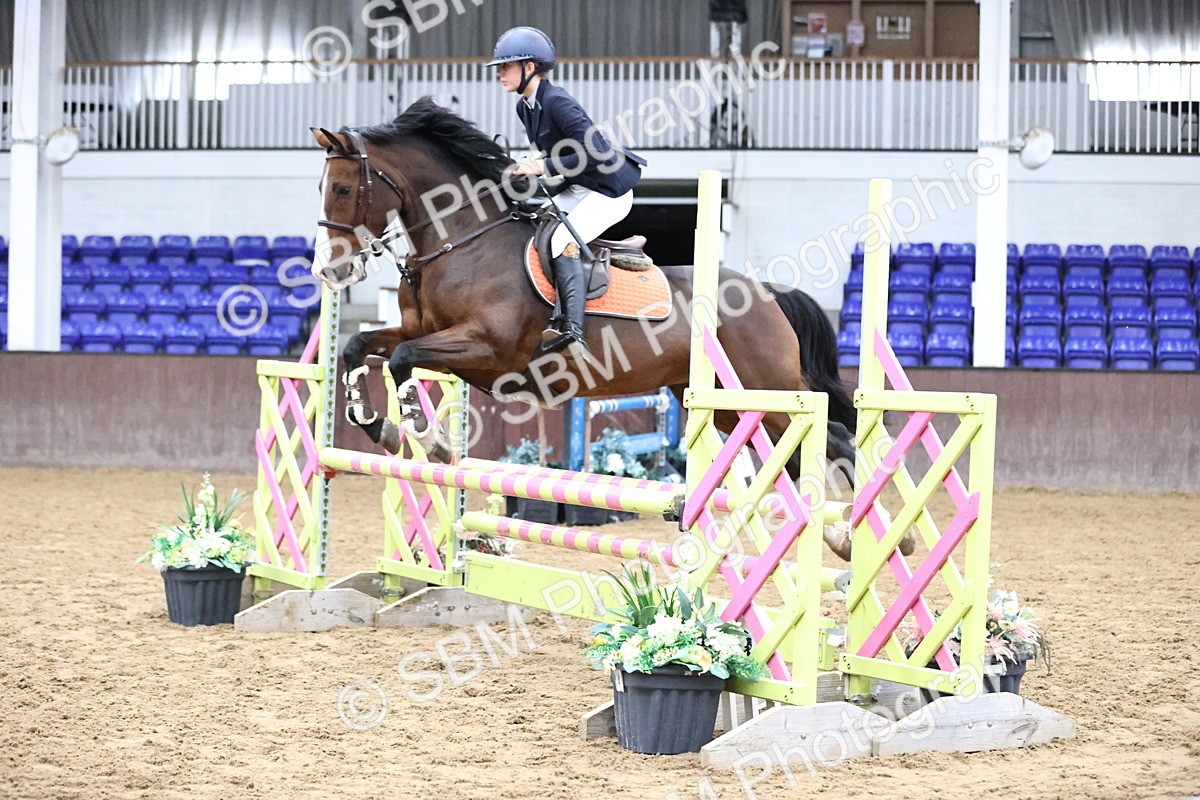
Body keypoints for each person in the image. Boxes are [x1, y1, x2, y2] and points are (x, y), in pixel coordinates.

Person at [487, 26, 645, 361]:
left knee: (561, 242)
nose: (499, 73)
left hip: (608, 191)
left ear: (530, 68)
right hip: (581, 187)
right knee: (538, 225)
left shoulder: (557, 101)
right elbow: (558, 152)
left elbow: (595, 152)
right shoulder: (526, 107)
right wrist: (531, 163)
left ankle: (573, 330)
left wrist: (542, 167)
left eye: (506, 66)